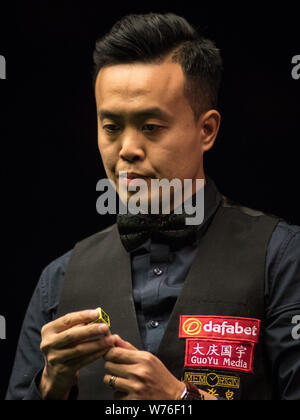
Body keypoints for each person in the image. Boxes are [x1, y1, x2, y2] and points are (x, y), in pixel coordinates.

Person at [6, 12, 300, 401]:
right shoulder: (57, 280)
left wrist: (182, 401)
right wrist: (50, 386)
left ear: (206, 130)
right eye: (111, 127)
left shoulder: (282, 258)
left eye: (151, 127)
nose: (127, 148)